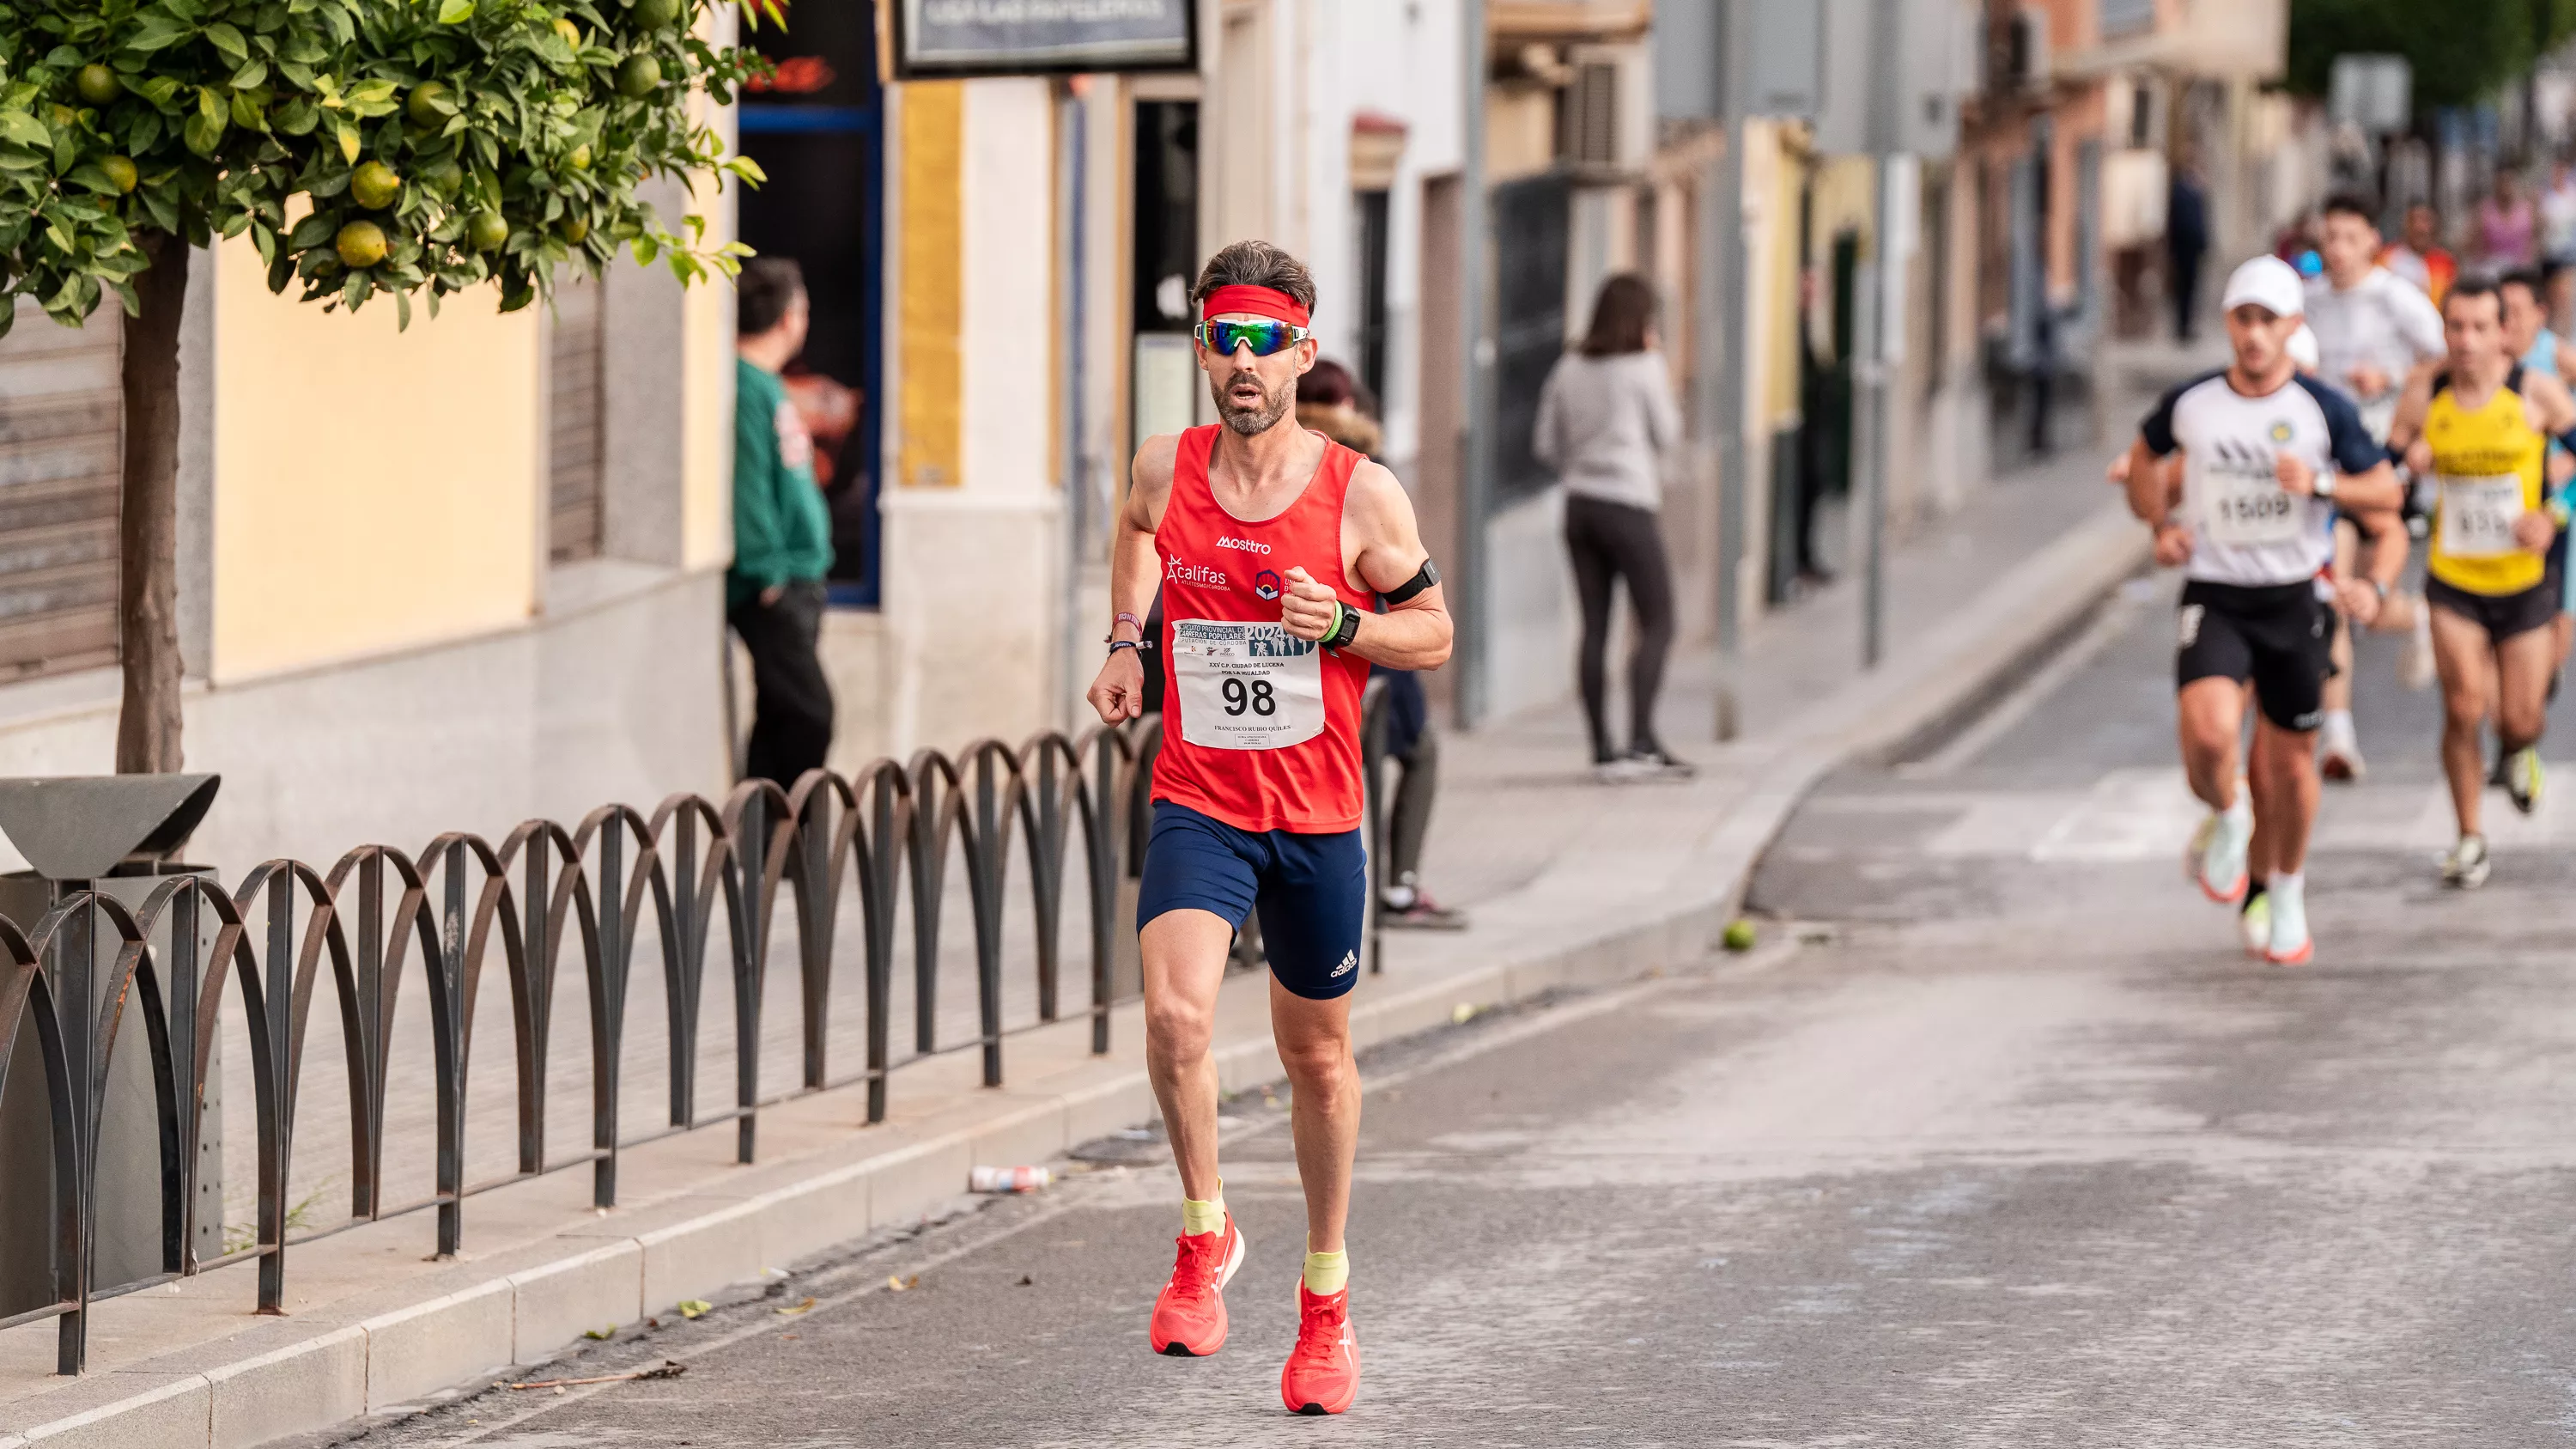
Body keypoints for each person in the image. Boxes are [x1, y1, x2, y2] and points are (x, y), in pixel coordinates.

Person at [1086, 240, 1452, 1416]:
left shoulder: (1360, 492)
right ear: (1203, 348)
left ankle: (1327, 1296)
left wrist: (1345, 623)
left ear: (1302, 349)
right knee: (1177, 1014)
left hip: (1318, 817)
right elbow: (1135, 531)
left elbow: (1433, 632)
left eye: (1264, 342)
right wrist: (1125, 640)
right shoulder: (1166, 466)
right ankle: (1205, 1227)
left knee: (1316, 1058)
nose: (1242, 364)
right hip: (1202, 797)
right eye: (1222, 340)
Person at [2121, 255, 2403, 965]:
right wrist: (2160, 525)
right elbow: (2144, 460)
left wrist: (2323, 484)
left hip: (2294, 600)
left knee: (2291, 765)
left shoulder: (2323, 409)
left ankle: (2285, 888)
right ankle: (2228, 812)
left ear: (2292, 328)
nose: (2254, 335)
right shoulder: (2193, 403)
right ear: (2227, 324)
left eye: (2268, 321)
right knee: (2211, 738)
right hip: (2217, 593)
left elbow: (2388, 496)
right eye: (2243, 319)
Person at [2385, 277, 2576, 888]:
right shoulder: (2426, 392)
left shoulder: (2538, 394)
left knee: (2521, 718)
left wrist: (2553, 513)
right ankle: (2470, 836)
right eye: (2455, 327)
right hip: (2454, 581)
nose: (2466, 341)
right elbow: (2380, 471)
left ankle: (2519, 753)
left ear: (2504, 333)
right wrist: (2408, 464)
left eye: (2479, 328)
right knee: (2464, 705)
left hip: (2524, 584)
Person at [1295, 360, 1467, 930]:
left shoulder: (1276, 465)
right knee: (1418, 750)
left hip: (1296, 659)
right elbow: (1414, 605)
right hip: (1370, 655)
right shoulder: (1365, 474)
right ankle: (1399, 885)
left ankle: (1253, 917)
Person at [2301, 194, 2447, 778]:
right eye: (2327, 236)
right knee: (2336, 596)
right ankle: (2338, 732)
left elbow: (2443, 360)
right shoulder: (2307, 301)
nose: (2335, 248)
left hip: (2379, 460)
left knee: (2353, 596)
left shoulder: (2396, 298)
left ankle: (2417, 615)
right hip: (2322, 465)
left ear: (2370, 240)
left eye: (2347, 236)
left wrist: (2390, 378)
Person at [1534, 273, 1690, 781]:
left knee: (1595, 626)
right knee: (1660, 618)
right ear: (1641, 320)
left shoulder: (1569, 367)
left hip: (1580, 506)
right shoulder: (1643, 366)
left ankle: (1603, 749)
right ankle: (1642, 739)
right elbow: (1667, 433)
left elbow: (1546, 446)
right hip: (1628, 503)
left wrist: (1582, 464)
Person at [728, 259, 836, 788]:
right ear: (791, 317)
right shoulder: (745, 386)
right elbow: (747, 486)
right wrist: (769, 577)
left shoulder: (764, 383)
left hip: (797, 579)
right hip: (776, 584)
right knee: (808, 712)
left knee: (779, 718)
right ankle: (783, 841)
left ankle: (762, 853)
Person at [2382, 204, 2458, 308]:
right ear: (2406, 224)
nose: (2420, 227)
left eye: (2426, 220)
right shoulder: (2386, 257)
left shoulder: (2445, 263)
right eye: (2414, 220)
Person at [2168, 161, 2211, 343]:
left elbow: (2204, 220)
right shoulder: (2180, 191)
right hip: (2182, 247)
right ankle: (2182, 326)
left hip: (2194, 247)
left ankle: (2188, 324)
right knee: (2183, 288)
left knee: (2192, 288)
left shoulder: (2199, 190)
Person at [2477, 168, 2538, 271]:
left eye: (2509, 183)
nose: (2505, 188)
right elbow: (2476, 241)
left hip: (2521, 267)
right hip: (2492, 266)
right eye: (2502, 183)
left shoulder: (2527, 209)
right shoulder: (2485, 210)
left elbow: (2535, 238)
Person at [2543, 158, 2576, 266]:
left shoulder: (2572, 194)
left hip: (2571, 250)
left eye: (2561, 172)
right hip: (2551, 250)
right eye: (2555, 172)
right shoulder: (2545, 197)